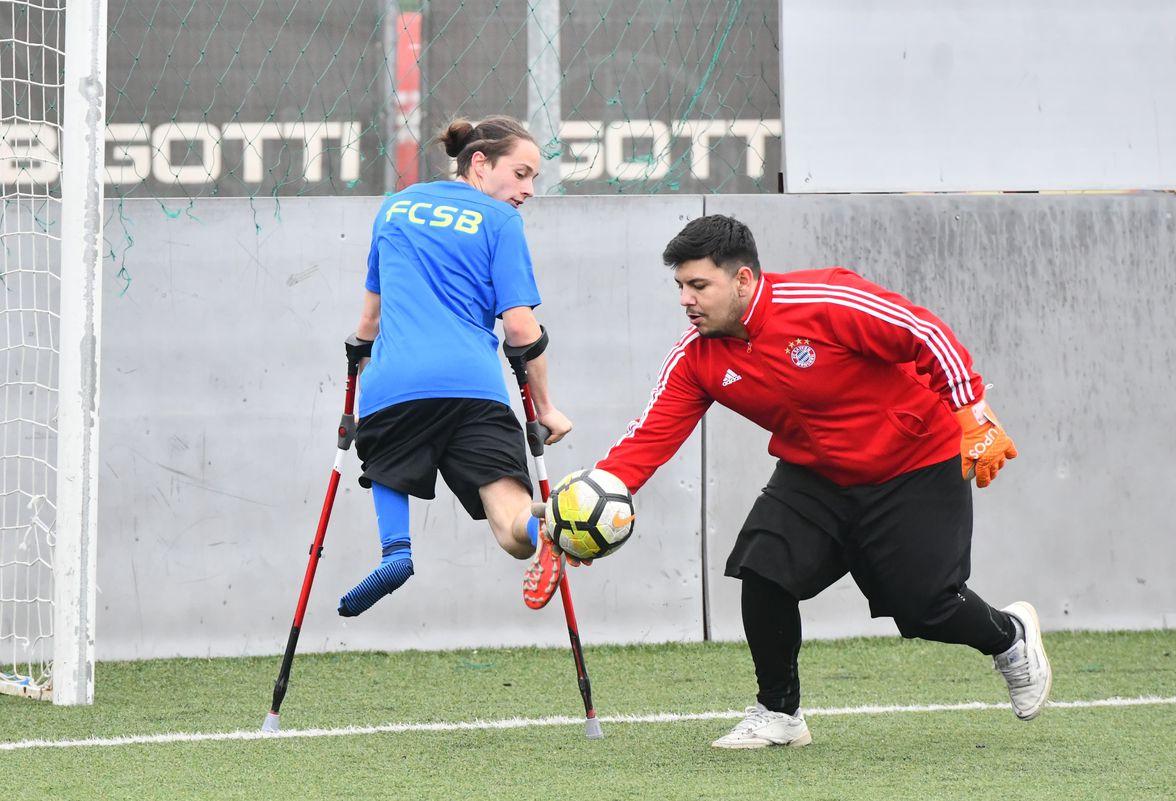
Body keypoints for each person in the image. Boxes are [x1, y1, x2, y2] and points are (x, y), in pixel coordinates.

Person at [568, 214, 1050, 748]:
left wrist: (971, 412)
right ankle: (779, 714)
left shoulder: (825, 300)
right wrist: (589, 514)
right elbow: (649, 437)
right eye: (680, 286)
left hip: (914, 459)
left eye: (699, 285)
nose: (687, 299)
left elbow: (923, 332)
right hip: (815, 473)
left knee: (926, 608)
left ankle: (1010, 637)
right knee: (763, 570)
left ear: (744, 279)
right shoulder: (697, 356)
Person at [338, 115, 571, 617]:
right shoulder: (501, 222)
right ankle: (545, 528)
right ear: (480, 163)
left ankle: (395, 552)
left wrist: (356, 360)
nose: (529, 189)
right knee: (514, 534)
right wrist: (547, 408)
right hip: (474, 389)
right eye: (523, 173)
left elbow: (369, 321)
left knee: (387, 464)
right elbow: (521, 330)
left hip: (395, 385)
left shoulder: (395, 208)